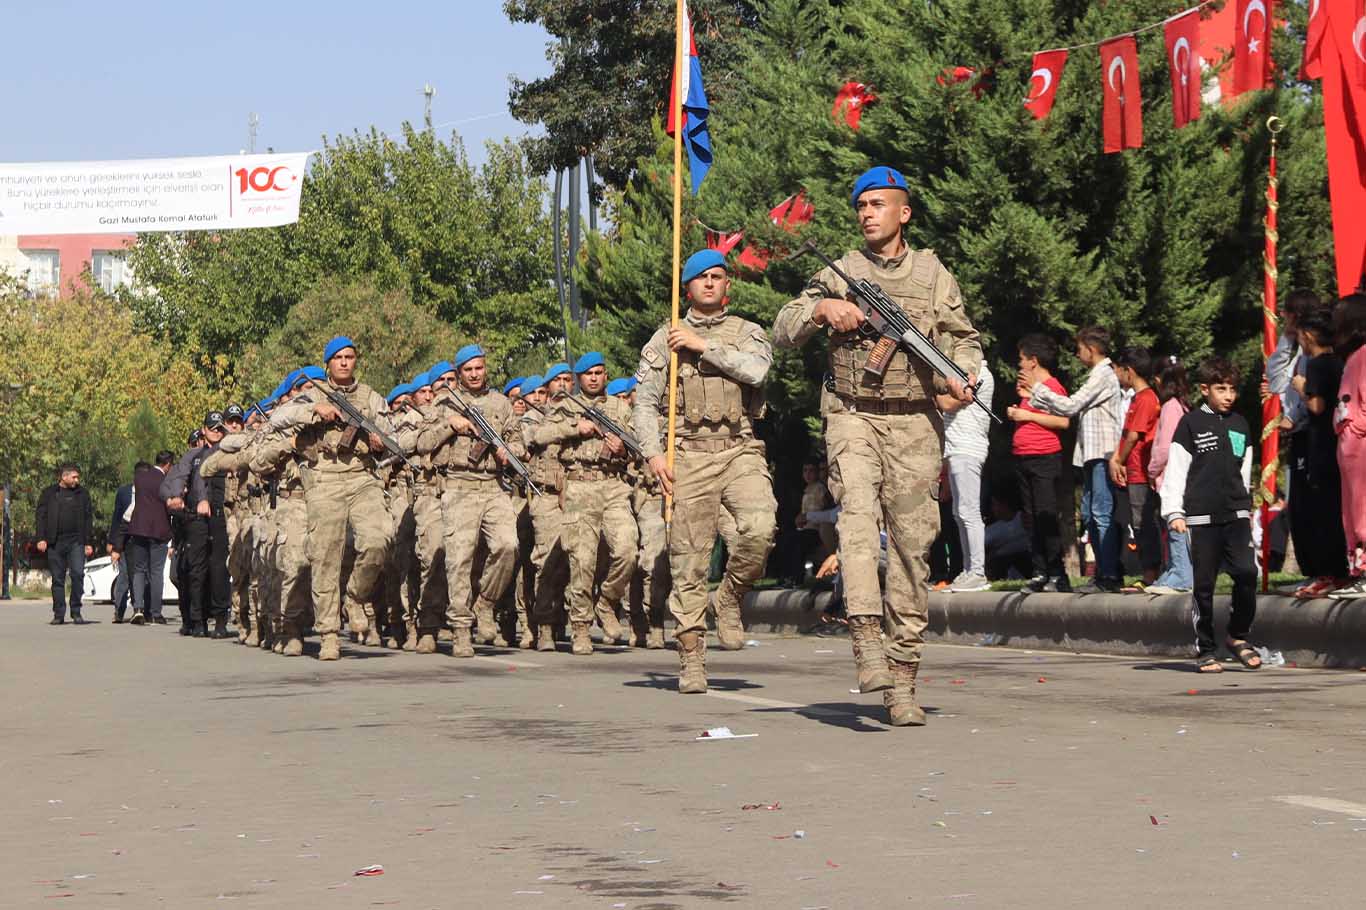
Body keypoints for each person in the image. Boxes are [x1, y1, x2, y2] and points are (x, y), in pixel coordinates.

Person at [773, 166, 982, 725]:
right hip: (852, 414)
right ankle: (866, 640)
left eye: (877, 204)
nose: (866, 213)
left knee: (915, 547)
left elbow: (964, 341)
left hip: (916, 422)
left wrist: (964, 379)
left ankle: (904, 676)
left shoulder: (934, 274)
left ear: (903, 212)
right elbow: (783, 326)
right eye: (860, 205)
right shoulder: (840, 271)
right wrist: (822, 311)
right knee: (858, 521)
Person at [634, 249, 777, 689]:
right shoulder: (665, 339)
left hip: (740, 448)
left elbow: (757, 371)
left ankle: (731, 595)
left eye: (718, 277)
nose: (710, 284)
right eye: (702, 278)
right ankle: (691, 654)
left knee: (760, 527)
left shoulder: (747, 332)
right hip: (689, 454)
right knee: (688, 562)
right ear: (688, 288)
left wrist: (703, 347)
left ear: (727, 285)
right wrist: (653, 455)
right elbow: (642, 402)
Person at [269, 337, 396, 661]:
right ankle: (328, 633)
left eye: (349, 356)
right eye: (337, 357)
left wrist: (382, 443)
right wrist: (315, 410)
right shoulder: (313, 393)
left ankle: (355, 596)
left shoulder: (371, 397)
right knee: (325, 556)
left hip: (361, 477)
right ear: (328, 363)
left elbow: (395, 437)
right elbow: (278, 418)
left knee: (378, 539)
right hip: (324, 478)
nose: (343, 362)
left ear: (356, 360)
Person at [528, 352, 637, 655]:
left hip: (614, 485)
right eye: (588, 373)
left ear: (605, 375)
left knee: (628, 549)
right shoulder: (565, 406)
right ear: (578, 378)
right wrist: (577, 428)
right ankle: (580, 626)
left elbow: (639, 448)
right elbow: (540, 434)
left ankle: (607, 601)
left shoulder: (620, 408)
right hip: (579, 486)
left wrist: (623, 449)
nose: (593, 378)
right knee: (582, 561)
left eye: (599, 373)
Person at [415, 343, 519, 656]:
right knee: (458, 560)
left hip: (492, 485)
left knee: (508, 545)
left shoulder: (501, 403)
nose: (475, 374)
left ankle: (484, 603)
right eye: (468, 370)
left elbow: (517, 439)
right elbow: (422, 442)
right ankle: (461, 629)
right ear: (459, 373)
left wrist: (510, 452)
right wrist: (450, 424)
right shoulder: (445, 402)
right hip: (459, 485)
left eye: (479, 368)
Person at [1159, 358, 1262, 672]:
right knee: (1203, 585)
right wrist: (1174, 511)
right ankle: (1205, 648)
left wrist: (1246, 505)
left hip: (1236, 514)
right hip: (1201, 518)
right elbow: (1176, 470)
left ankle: (1237, 635)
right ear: (1205, 390)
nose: (1228, 395)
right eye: (1221, 389)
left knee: (1247, 573)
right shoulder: (1190, 424)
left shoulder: (1241, 424)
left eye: (1232, 389)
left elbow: (1243, 469)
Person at [1023, 326, 1123, 592]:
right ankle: (1101, 574)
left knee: (1101, 514)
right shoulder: (1097, 375)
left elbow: (1070, 405)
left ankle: (1109, 576)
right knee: (1090, 514)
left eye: (1079, 349)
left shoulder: (1103, 375)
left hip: (1103, 453)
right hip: (1091, 454)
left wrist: (1038, 390)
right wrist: (1035, 397)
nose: (1078, 355)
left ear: (1091, 349)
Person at [1286, 308, 1348, 596]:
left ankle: (1329, 571)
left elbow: (1317, 406)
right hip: (1338, 444)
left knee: (1322, 510)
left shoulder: (1317, 365)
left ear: (1308, 336)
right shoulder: (1341, 362)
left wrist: (1302, 388)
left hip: (1321, 445)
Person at [1005, 334, 1071, 591]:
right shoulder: (1030, 390)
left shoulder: (1053, 387)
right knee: (1030, 517)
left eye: (1022, 359)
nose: (1019, 365)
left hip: (1044, 457)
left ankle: (1057, 573)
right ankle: (1039, 571)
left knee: (1045, 514)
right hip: (1024, 456)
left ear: (1033, 361)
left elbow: (1063, 421)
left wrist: (1024, 415)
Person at [162, 411, 232, 638]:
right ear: (204, 430)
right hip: (196, 519)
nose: (216, 432)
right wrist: (175, 496)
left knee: (219, 569)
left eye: (220, 428)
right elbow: (178, 479)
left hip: (221, 517)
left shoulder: (231, 453)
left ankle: (220, 620)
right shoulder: (193, 456)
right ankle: (197, 620)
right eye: (212, 428)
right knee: (196, 570)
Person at [520, 362, 573, 651]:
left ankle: (573, 618)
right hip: (546, 496)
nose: (563, 384)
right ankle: (544, 626)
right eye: (557, 380)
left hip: (580, 494)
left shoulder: (583, 412)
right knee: (545, 562)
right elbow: (534, 437)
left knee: (580, 560)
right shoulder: (534, 417)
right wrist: (572, 427)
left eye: (567, 379)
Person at [1109, 346, 1162, 587]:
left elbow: (1133, 436)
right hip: (1132, 471)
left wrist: (1118, 459)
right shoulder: (1137, 399)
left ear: (1129, 371)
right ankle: (1148, 572)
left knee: (1143, 523)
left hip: (1140, 472)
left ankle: (1151, 574)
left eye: (1118, 370)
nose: (1117, 375)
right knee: (1136, 522)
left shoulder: (1146, 399)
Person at [940, 363, 994, 592]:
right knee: (959, 512)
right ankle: (969, 569)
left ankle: (978, 572)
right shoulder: (959, 370)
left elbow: (946, 403)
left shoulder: (978, 371)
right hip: (956, 448)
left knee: (969, 511)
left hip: (967, 448)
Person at [1146, 358, 1193, 594]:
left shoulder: (1169, 407)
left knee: (1174, 526)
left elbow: (1165, 447)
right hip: (1185, 475)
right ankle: (1176, 570)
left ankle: (1182, 574)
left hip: (1171, 477)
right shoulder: (1184, 406)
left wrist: (1151, 470)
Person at [1330, 294, 1366, 598]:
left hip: (1359, 445)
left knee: (1362, 509)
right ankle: (1357, 569)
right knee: (1351, 511)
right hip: (1348, 447)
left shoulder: (1364, 355)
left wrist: (1356, 428)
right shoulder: (1352, 358)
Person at [35, 463, 94, 625]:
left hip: (76, 542)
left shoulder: (82, 494)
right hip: (55, 543)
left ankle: (76, 611)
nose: (77, 480)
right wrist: (41, 538)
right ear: (64, 477)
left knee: (77, 575)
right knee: (58, 579)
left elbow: (89, 518)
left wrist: (88, 542)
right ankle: (59, 614)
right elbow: (40, 517)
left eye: (77, 477)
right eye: (74, 477)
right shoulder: (49, 493)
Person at [126, 451, 174, 624]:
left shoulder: (140, 477)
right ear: (167, 464)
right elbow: (169, 505)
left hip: (138, 528)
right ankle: (155, 612)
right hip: (159, 530)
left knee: (138, 570)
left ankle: (137, 609)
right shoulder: (166, 480)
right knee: (156, 572)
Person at [108, 477, 135, 622]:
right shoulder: (124, 492)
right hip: (124, 540)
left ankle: (141, 610)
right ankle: (119, 611)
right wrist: (112, 542)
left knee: (141, 577)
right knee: (124, 576)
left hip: (143, 541)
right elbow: (117, 518)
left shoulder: (152, 490)